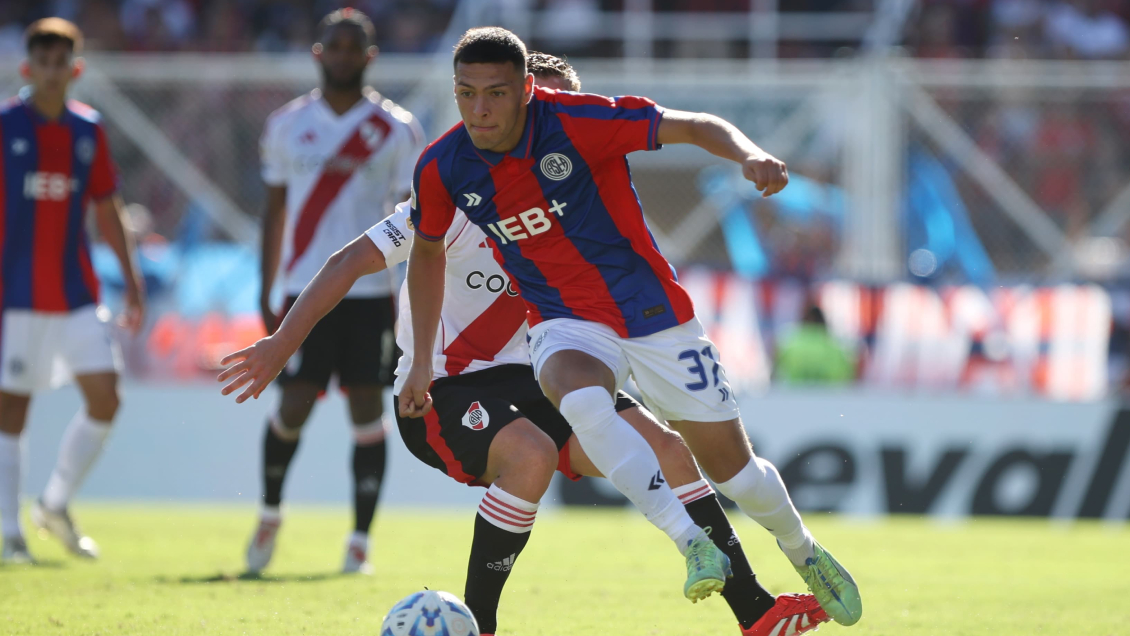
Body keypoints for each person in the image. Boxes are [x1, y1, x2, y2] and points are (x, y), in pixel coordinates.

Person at [219, 54, 830, 636]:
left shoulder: (578, 194)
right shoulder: (453, 191)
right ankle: (481, 624)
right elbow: (353, 258)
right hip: (441, 388)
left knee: (671, 451)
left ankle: (753, 609)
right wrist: (280, 343)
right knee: (531, 455)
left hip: (539, 376)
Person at [401, 28, 862, 627]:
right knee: (582, 397)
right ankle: (690, 542)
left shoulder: (577, 121)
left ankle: (804, 551)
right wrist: (416, 362)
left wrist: (747, 154)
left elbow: (693, 125)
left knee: (737, 474)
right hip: (564, 320)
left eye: (496, 93)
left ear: (526, 90)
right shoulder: (442, 166)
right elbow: (426, 251)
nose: (480, 109)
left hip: (654, 316)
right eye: (466, 93)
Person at [248, 8, 424, 575]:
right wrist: (266, 285)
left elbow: (414, 225)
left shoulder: (396, 129)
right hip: (304, 290)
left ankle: (359, 543)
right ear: (318, 53)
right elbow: (273, 213)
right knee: (293, 403)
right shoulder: (285, 124)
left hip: (371, 294)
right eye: (335, 46)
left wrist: (410, 302)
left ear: (370, 56)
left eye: (355, 47)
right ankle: (270, 513)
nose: (344, 55)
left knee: (367, 407)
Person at [0, 18, 145, 564]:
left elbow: (107, 209)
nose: (53, 71)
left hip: (77, 290)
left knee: (106, 397)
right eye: (44, 60)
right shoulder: (5, 125)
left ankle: (54, 504)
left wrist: (131, 283)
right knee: (12, 408)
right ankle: (11, 532)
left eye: (62, 61)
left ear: (76, 69)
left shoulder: (89, 131)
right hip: (14, 293)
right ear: (27, 67)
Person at [775, 303, 856, 385]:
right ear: (823, 322)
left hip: (795, 395)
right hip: (830, 396)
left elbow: (776, 368)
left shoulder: (788, 341)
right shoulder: (837, 344)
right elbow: (852, 372)